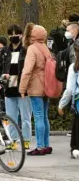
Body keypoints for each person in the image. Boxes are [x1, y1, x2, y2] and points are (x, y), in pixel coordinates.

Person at [0, 24, 31, 150]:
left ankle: (26, 139)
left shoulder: (26, 49)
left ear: (21, 35)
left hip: (23, 89)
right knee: (11, 117)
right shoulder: (4, 51)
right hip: (9, 88)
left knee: (25, 117)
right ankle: (13, 140)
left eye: (17, 33)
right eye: (11, 34)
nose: (14, 36)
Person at [19, 24, 52, 156]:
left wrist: (22, 88)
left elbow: (27, 70)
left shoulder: (32, 48)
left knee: (38, 116)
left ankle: (40, 146)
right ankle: (46, 144)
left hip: (36, 85)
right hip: (47, 85)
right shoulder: (45, 48)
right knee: (44, 116)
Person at [58, 41, 79, 158]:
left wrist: (61, 104)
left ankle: (75, 148)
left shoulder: (74, 67)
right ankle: (74, 147)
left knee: (77, 123)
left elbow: (70, 89)